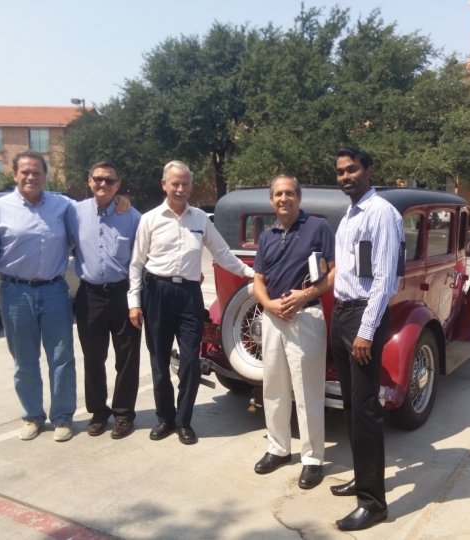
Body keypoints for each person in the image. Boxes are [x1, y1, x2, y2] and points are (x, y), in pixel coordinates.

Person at [128, 160, 254, 445]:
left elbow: (222, 254)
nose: (180, 188)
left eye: (185, 184)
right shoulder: (149, 219)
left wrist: (251, 274)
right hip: (157, 293)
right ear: (164, 185)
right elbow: (136, 264)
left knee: (190, 363)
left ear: (191, 186)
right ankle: (165, 418)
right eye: (175, 183)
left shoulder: (200, 219)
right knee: (159, 361)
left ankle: (183, 421)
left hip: (188, 295)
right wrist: (133, 302)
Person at [0, 151, 77, 442]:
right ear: (15, 174)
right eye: (25, 172)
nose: (31, 177)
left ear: (45, 175)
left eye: (37, 172)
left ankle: (63, 417)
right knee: (24, 360)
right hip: (15, 293)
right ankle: (32, 416)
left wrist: (119, 201)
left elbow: (94, 213)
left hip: (54, 291)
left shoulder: (63, 206)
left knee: (62, 357)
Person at [329, 147, 404, 531]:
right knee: (351, 406)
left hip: (363, 317)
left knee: (366, 410)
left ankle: (373, 503)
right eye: (341, 171)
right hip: (342, 313)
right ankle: (362, 478)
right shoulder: (350, 215)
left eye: (352, 169)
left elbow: (384, 280)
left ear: (369, 169)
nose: (346, 177)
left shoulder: (381, 213)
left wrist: (365, 331)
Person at [252, 175, 335, 489]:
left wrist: (304, 296)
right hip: (273, 318)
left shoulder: (318, 227)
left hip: (306, 316)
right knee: (273, 388)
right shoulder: (267, 235)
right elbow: (258, 281)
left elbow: (334, 272)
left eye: (289, 193)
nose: (283, 198)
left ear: (298, 197)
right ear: (271, 200)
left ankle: (312, 459)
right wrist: (269, 305)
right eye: (278, 194)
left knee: (307, 391)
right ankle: (278, 448)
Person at [67, 162, 142, 439]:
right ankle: (99, 412)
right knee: (93, 357)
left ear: (118, 185)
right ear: (89, 181)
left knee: (127, 357)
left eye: (110, 181)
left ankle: (123, 414)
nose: (103, 185)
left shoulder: (132, 217)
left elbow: (142, 259)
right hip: (90, 295)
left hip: (123, 294)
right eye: (98, 179)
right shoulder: (74, 213)